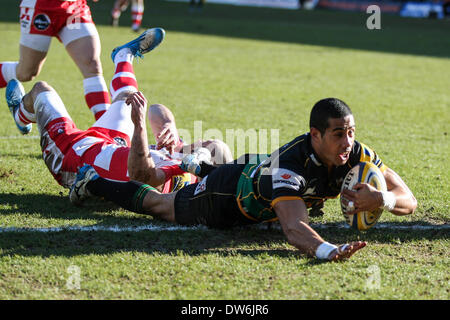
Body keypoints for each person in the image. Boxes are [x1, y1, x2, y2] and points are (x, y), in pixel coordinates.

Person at [69, 98, 417, 261]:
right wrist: (328, 250)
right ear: (315, 134)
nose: (347, 142)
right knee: (161, 205)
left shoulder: (356, 153)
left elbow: (408, 198)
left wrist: (382, 199)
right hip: (227, 197)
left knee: (225, 173)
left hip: (254, 171)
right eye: (339, 134)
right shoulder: (290, 165)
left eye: (351, 133)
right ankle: (91, 180)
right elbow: (295, 229)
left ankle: (200, 166)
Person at [5, 28, 231, 197]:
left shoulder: (177, 180)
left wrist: (141, 127)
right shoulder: (189, 160)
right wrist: (169, 126)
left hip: (74, 154)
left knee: (41, 90)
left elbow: (140, 176)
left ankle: (21, 114)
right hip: (114, 143)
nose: (202, 143)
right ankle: (123, 55)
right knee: (128, 98)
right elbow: (157, 111)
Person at [1, 0, 111, 136]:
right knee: (26, 72)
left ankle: (109, 131)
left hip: (72, 8)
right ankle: (21, 115)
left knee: (91, 65)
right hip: (40, 6)